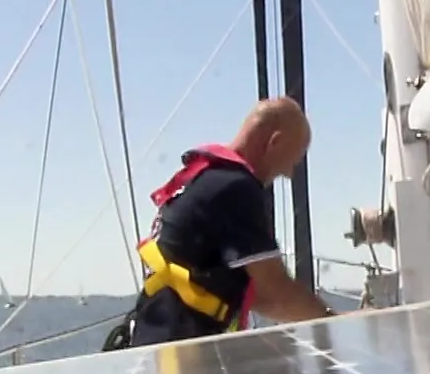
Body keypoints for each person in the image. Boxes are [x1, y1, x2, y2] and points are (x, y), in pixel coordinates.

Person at [103, 96, 336, 350]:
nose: (290, 173)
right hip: (179, 356)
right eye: (292, 160)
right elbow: (272, 290)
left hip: (159, 342)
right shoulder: (236, 187)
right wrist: (332, 323)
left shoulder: (206, 178)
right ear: (275, 142)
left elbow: (257, 294)